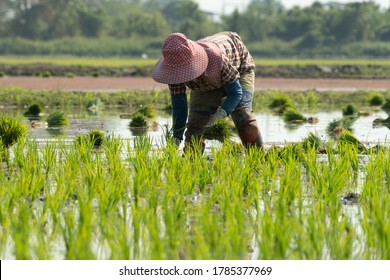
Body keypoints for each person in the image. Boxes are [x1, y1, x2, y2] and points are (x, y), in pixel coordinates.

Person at [152, 31, 263, 153]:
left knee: (242, 115)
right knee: (195, 128)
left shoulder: (215, 58)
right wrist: (177, 136)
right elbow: (179, 105)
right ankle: (192, 165)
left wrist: (220, 115)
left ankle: (258, 158)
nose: (182, 75)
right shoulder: (174, 72)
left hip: (238, 66)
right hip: (205, 83)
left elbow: (235, 92)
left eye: (184, 70)